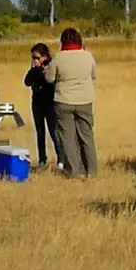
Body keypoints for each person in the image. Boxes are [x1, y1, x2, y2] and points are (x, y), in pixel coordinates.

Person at [50, 25, 97, 177]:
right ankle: (91, 171)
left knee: (68, 137)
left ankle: (73, 171)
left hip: (64, 100)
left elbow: (49, 78)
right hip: (85, 100)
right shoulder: (87, 56)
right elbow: (94, 75)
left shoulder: (59, 57)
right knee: (87, 136)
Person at [23, 42, 62, 172]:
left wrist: (41, 71)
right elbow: (27, 82)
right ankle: (42, 159)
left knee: (53, 131)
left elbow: (50, 82)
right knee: (40, 132)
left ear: (45, 57)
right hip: (37, 102)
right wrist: (34, 69)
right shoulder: (35, 69)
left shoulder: (51, 66)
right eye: (33, 57)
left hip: (49, 102)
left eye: (37, 57)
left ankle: (61, 158)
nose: (35, 60)